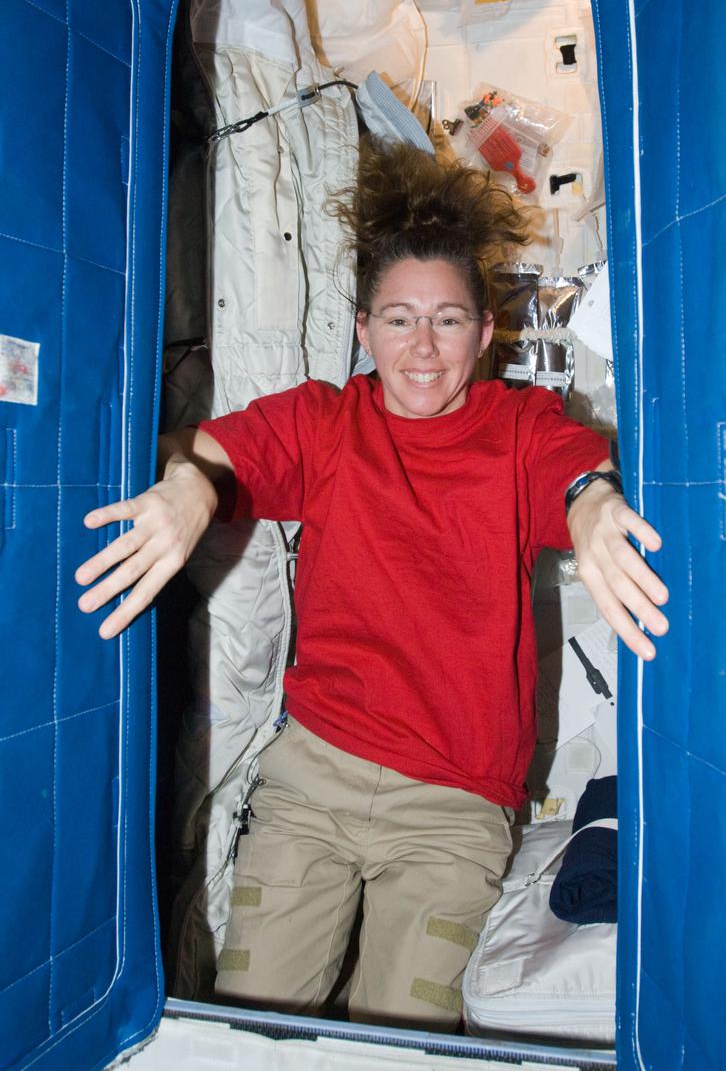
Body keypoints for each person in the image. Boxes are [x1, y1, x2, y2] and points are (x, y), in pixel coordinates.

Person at [75, 142, 668, 1030]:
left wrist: (590, 503)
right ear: (362, 329)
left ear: (485, 330)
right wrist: (193, 480)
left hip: (456, 809)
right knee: (255, 1034)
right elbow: (213, 451)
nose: (423, 350)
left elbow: (574, 470)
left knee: (397, 1041)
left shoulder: (518, 428)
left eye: (449, 321)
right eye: (397, 320)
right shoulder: (324, 422)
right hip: (312, 785)